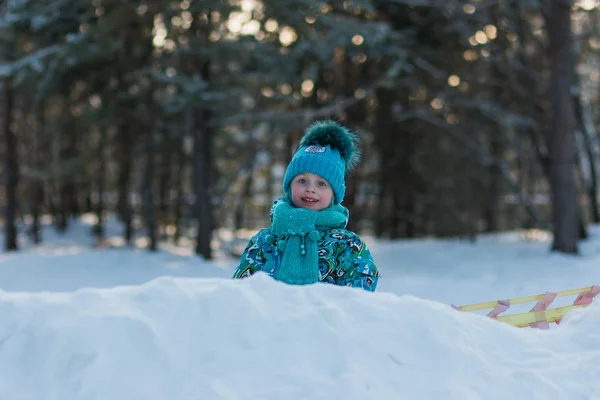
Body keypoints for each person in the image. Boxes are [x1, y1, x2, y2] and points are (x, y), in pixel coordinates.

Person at [232, 120, 379, 291]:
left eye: (321, 184)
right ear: (289, 186)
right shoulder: (265, 241)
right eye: (302, 180)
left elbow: (360, 297)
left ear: (334, 194)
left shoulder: (347, 245)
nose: (310, 189)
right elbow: (242, 292)